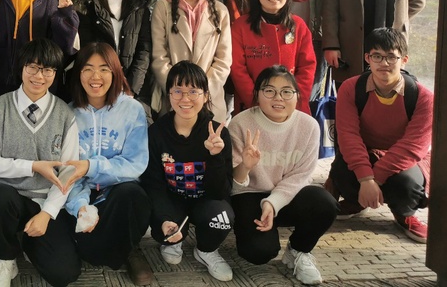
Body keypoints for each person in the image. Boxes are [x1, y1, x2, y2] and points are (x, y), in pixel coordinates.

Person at [0, 39, 82, 287]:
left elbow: (67, 173)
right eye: (32, 67)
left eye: (47, 70)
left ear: (55, 73)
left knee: (64, 274)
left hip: (42, 200)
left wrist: (47, 213)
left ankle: (26, 242)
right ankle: (5, 259)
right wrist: (32, 166)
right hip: (5, 195)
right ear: (21, 67)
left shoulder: (65, 115)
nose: (39, 76)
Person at [229, 65, 337, 285]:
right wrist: (245, 166)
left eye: (287, 91)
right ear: (257, 94)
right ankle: (263, 239)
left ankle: (298, 251)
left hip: (289, 194)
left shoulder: (308, 126)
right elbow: (233, 185)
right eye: (269, 90)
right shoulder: (240, 123)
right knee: (258, 253)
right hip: (249, 194)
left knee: (324, 203)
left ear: (297, 95)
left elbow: (301, 175)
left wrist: (273, 203)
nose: (278, 98)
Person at [328, 28, 431, 243]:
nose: (384, 63)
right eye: (377, 56)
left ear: (404, 60)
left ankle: (404, 214)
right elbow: (348, 136)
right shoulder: (350, 88)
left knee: (407, 184)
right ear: (367, 58)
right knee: (342, 170)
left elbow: (412, 147)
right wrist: (365, 178)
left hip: (402, 161)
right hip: (365, 153)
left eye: (391, 57)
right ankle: (357, 202)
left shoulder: (422, 97)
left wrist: (372, 180)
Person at [63, 43, 151, 286]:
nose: (96, 77)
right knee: (90, 255)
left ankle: (131, 250)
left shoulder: (132, 109)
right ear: (78, 73)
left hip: (118, 195)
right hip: (83, 196)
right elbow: (68, 170)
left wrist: (91, 166)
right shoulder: (68, 113)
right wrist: (80, 206)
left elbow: (135, 164)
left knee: (132, 193)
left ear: (115, 73)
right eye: (88, 69)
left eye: (104, 69)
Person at [141, 61, 234, 282]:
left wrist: (215, 156)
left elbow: (221, 192)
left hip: (206, 200)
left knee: (221, 218)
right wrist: (164, 218)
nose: (185, 98)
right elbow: (153, 184)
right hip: (172, 199)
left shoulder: (218, 133)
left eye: (193, 91)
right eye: (178, 91)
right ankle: (174, 239)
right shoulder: (156, 133)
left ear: (205, 95)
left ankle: (206, 250)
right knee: (163, 230)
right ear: (169, 94)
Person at [151, 0, 231, 123]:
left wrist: (201, 91)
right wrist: (179, 91)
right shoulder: (163, 7)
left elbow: (223, 60)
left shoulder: (220, 10)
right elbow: (159, 56)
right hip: (173, 99)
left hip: (210, 99)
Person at [70, 0, 152, 100]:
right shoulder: (87, 3)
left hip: (130, 86)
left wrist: (131, 87)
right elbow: (86, 48)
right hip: (96, 84)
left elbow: (144, 49)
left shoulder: (139, 4)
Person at [230, 0, 316, 115]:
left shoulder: (298, 25)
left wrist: (294, 101)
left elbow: (307, 67)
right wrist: (257, 102)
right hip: (252, 108)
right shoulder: (241, 26)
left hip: (293, 109)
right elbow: (238, 69)